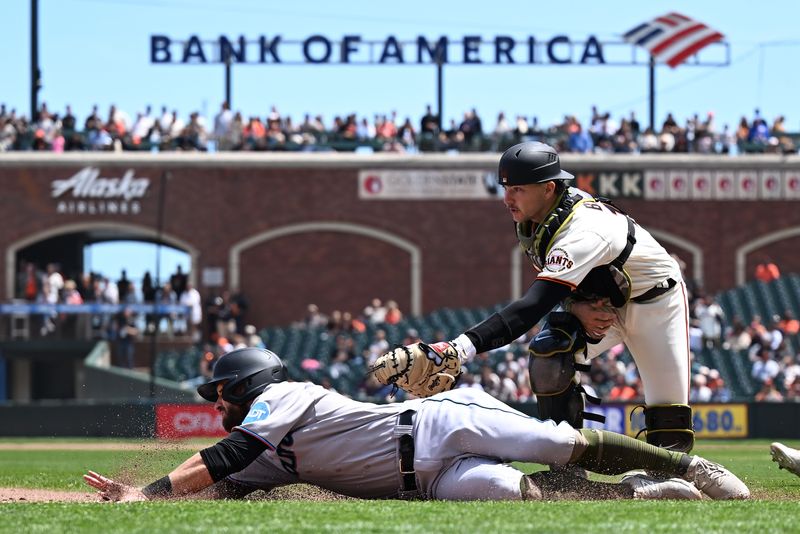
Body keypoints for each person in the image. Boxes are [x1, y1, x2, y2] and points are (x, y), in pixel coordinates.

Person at [83, 348, 749, 502]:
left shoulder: (280, 395)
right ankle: (641, 491)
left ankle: (688, 465)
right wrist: (140, 496)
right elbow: (226, 484)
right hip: (424, 482)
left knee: (560, 441)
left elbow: (226, 458)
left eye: (223, 391)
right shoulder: (264, 435)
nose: (220, 402)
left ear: (248, 385)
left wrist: (147, 494)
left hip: (438, 425)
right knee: (523, 496)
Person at [373, 141, 695, 452]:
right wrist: (575, 307)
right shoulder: (535, 219)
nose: (507, 198)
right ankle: (567, 469)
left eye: (518, 189)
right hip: (603, 304)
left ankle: (673, 473)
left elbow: (534, 305)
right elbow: (570, 285)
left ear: (548, 188)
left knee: (669, 420)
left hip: (655, 303)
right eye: (505, 187)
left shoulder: (583, 228)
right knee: (549, 351)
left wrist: (459, 349)